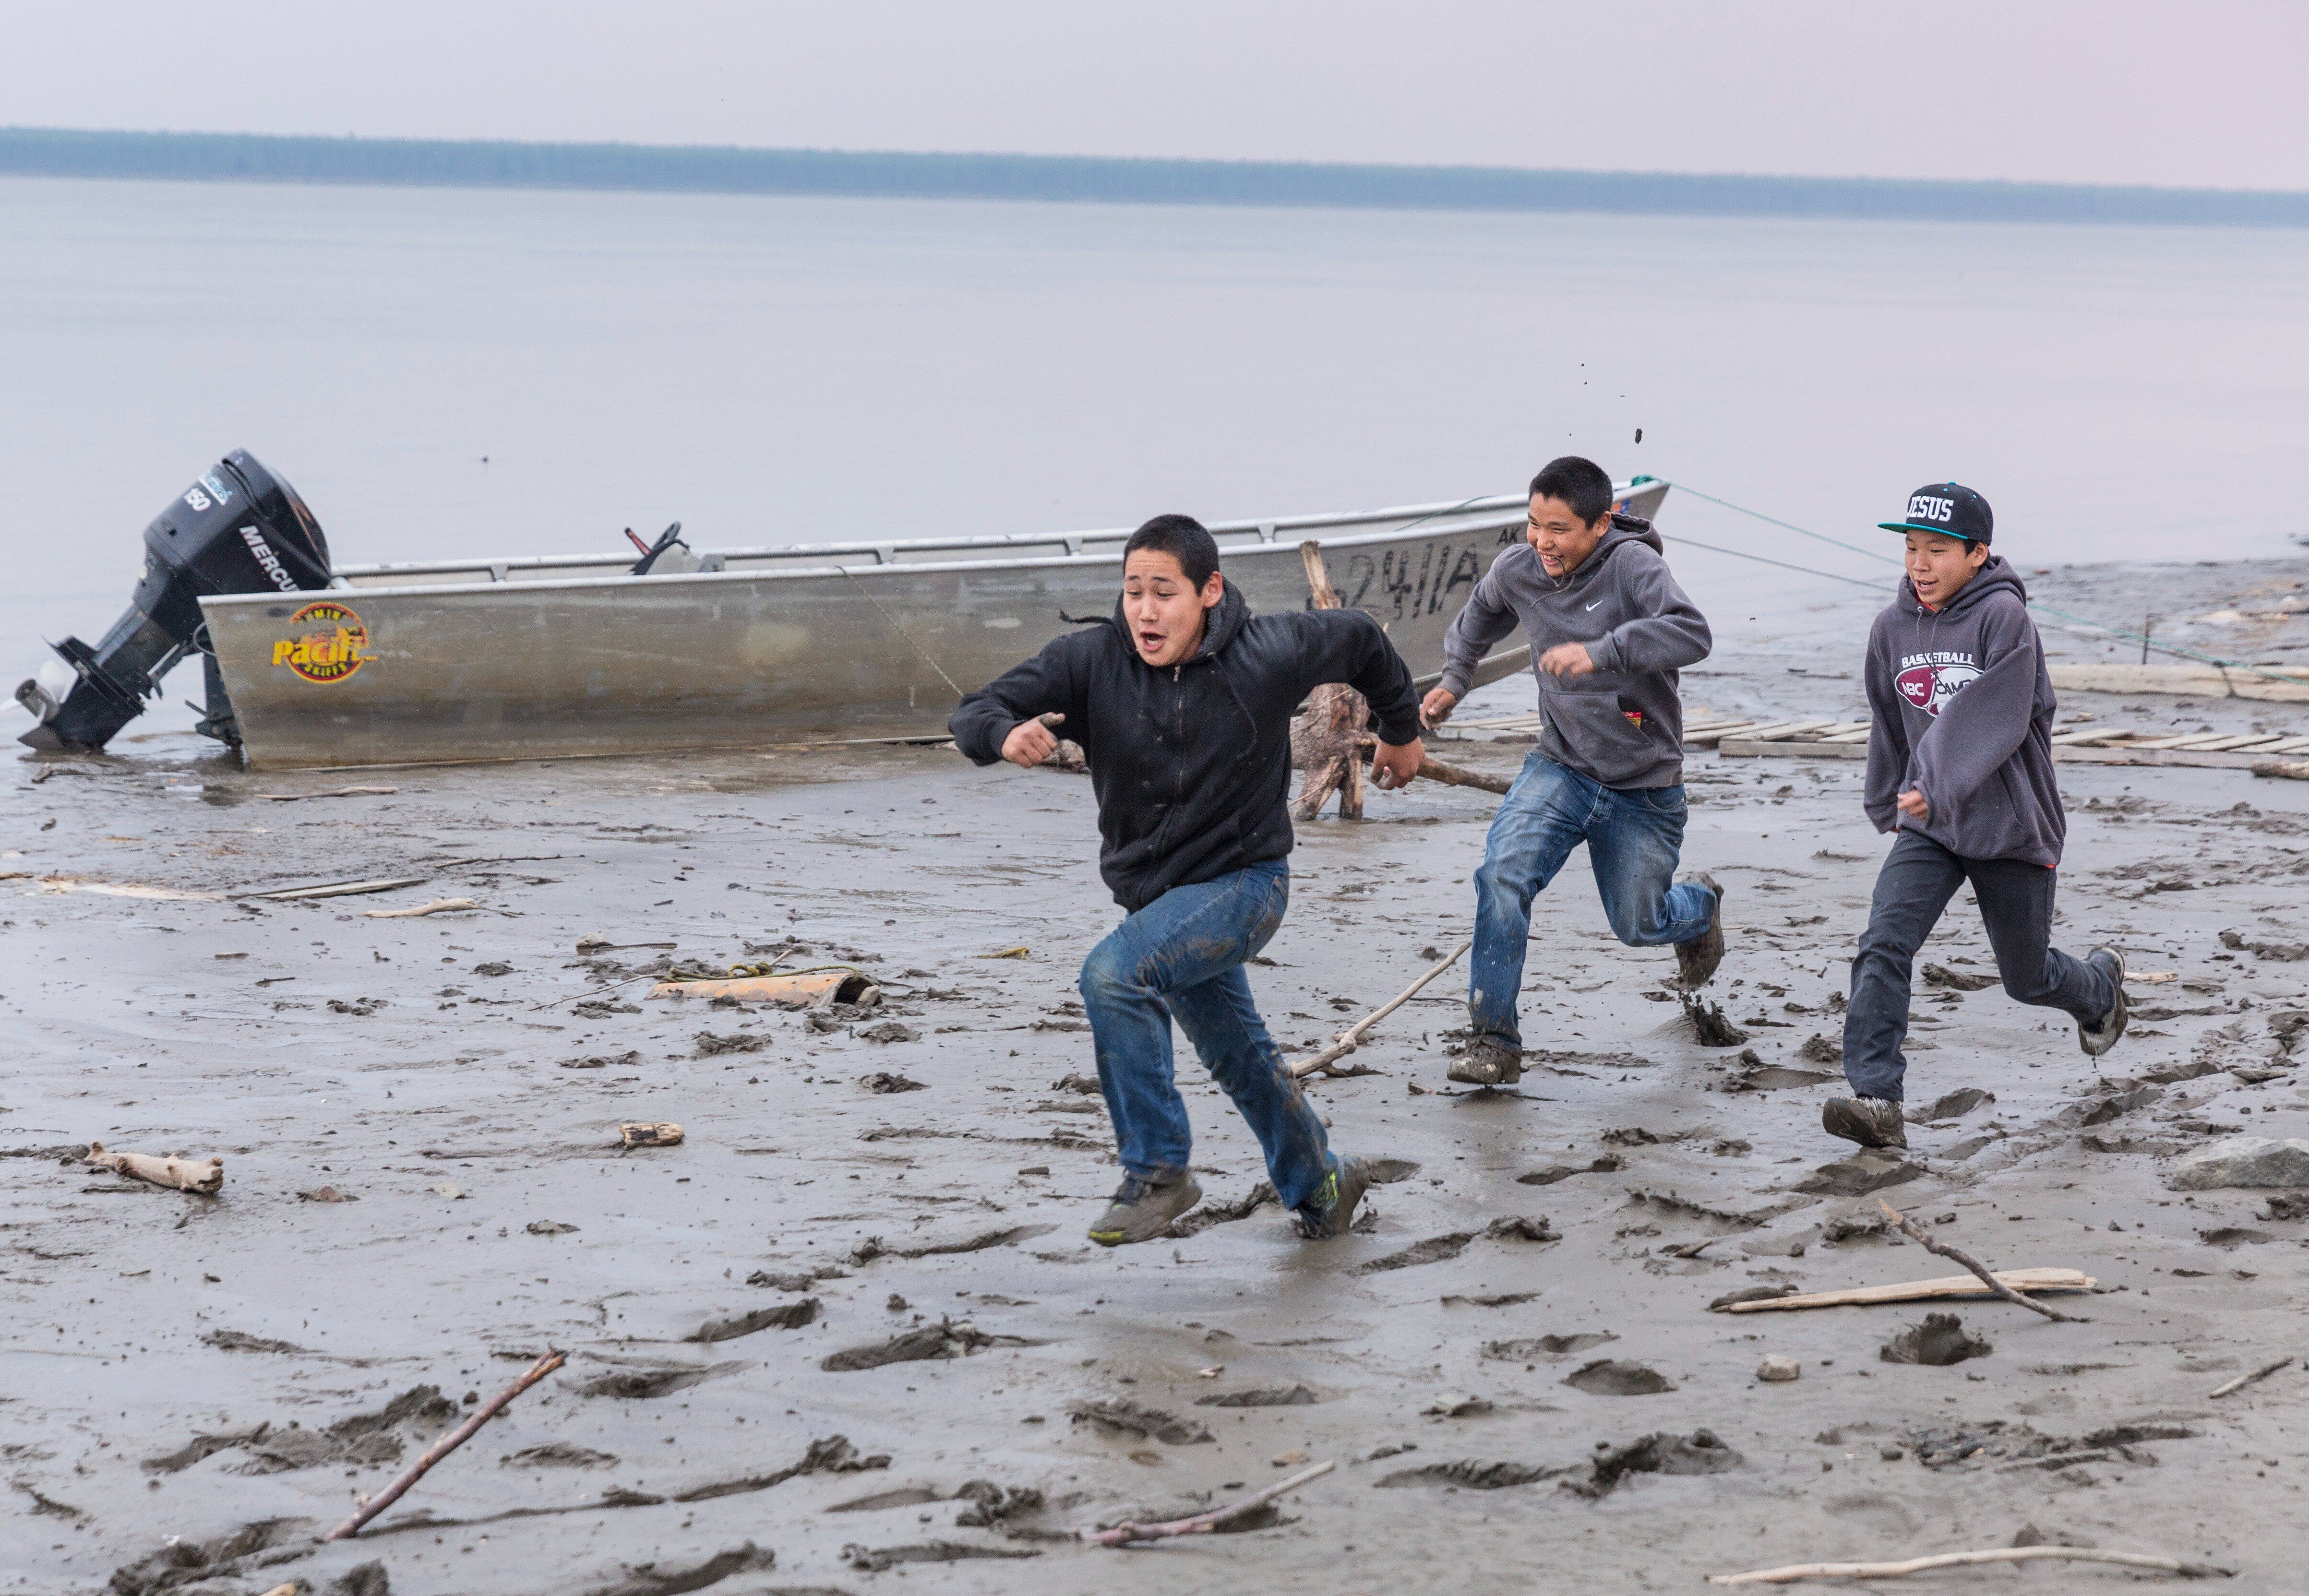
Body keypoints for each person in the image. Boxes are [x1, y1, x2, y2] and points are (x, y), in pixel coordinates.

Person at [950, 513, 1427, 1245]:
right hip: (1162, 903)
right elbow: (974, 709)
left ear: (1209, 590)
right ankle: (1323, 1185)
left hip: (1247, 884)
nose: (1145, 610)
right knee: (1241, 1058)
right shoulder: (1089, 661)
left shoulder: (1268, 651)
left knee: (1113, 974)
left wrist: (1400, 730)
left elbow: (1362, 638)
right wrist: (1002, 733)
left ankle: (1158, 1171)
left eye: (1164, 592)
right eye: (1133, 590)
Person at [1821, 482, 2127, 1150]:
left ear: (1979, 553)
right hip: (1932, 825)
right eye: (1910, 549)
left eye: (1937, 550)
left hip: (2011, 826)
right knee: (1883, 942)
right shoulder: (1891, 627)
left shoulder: (2004, 621)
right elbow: (1890, 718)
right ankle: (1877, 1099)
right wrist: (1888, 795)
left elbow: (1999, 716)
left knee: (2027, 977)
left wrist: (1935, 779)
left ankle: (2099, 989)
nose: (1920, 565)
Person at [1423, 456, 1722, 1087]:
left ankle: (1701, 907)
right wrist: (1455, 681)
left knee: (1639, 923)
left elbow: (1694, 633)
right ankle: (1493, 1041)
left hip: (1643, 785)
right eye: (1534, 524)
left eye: (1558, 529)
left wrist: (1601, 652)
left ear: (1601, 523)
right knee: (1502, 875)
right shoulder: (1520, 568)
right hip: (1559, 766)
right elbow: (1477, 616)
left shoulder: (1635, 566)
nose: (1542, 542)